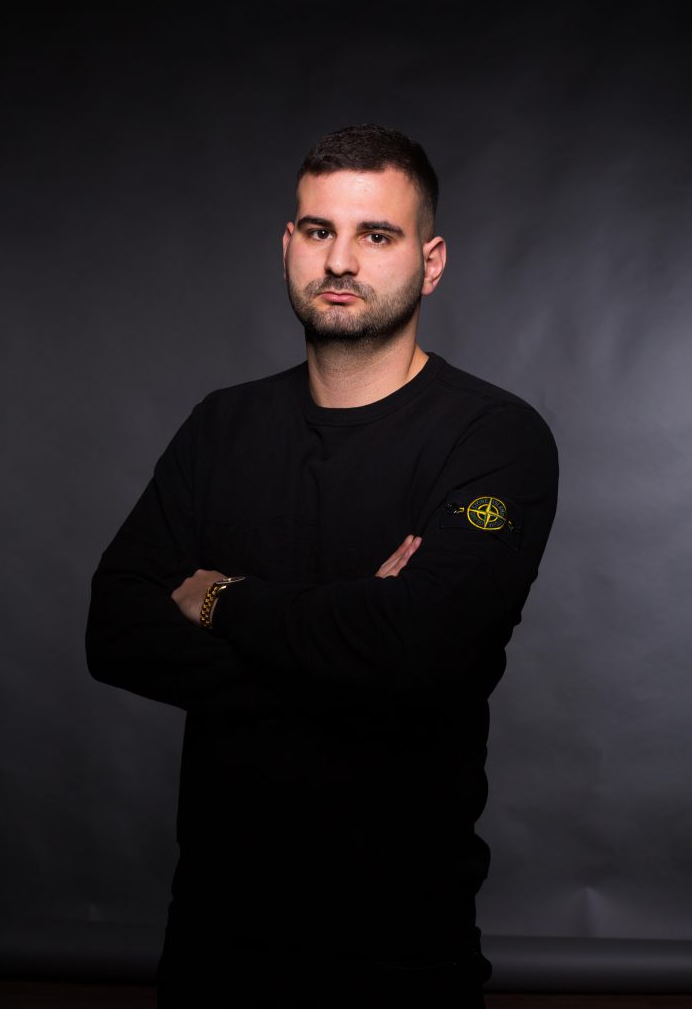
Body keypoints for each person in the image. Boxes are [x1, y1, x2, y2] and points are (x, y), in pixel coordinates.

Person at [86, 123, 558, 1007]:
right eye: (318, 231)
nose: (340, 260)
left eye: (376, 234)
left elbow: (423, 647)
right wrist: (358, 649)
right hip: (214, 938)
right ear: (288, 246)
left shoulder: (493, 439)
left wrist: (221, 601)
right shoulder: (221, 425)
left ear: (431, 262)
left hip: (401, 946)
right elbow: (112, 630)